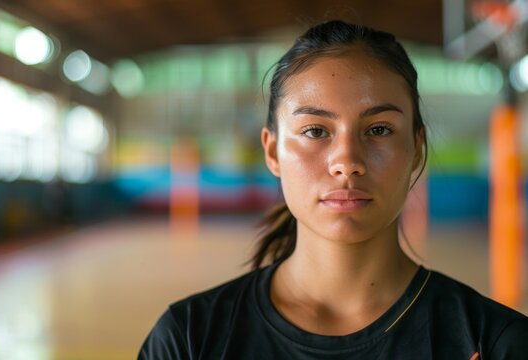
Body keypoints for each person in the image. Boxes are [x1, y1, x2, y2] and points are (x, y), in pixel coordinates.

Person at [138, 20, 528, 359]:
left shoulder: (495, 341)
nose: (347, 160)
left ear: (416, 150)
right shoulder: (187, 338)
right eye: (315, 131)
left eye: (378, 130)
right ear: (273, 151)